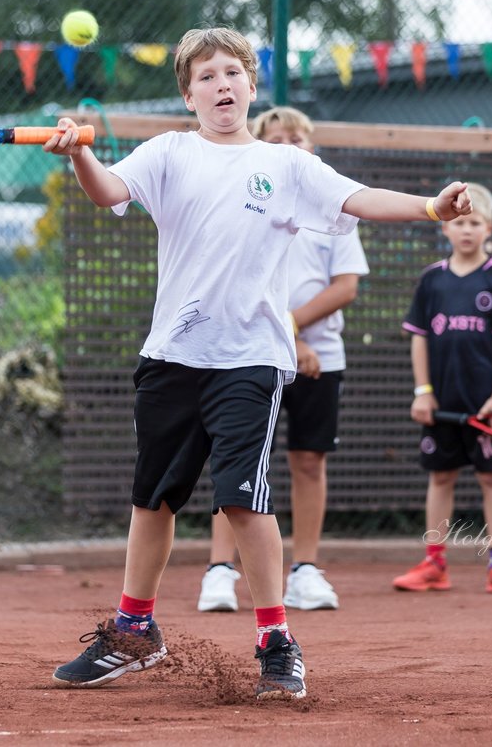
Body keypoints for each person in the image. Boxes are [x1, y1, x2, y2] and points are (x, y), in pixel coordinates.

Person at [42, 26, 472, 699]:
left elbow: (357, 197)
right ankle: (134, 631)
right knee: (152, 497)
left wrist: (428, 206)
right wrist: (77, 156)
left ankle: (276, 638)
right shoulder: (170, 152)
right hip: (172, 356)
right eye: (207, 76)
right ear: (188, 94)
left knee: (244, 499)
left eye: (232, 73)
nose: (222, 85)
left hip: (251, 359)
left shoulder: (288, 166)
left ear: (250, 85)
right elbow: (107, 190)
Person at [196, 106, 369, 614]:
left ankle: (306, 570)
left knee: (309, 460)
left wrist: (294, 331)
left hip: (322, 358)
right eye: (279, 138)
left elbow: (346, 286)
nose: (290, 144)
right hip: (249, 353)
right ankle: (219, 571)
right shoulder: (247, 199)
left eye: (299, 137)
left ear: (312, 148)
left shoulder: (337, 206)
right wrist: (288, 339)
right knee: (238, 462)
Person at [391, 183, 492, 596]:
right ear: (447, 228)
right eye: (461, 222)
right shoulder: (432, 280)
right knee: (441, 478)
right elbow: (418, 338)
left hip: (485, 406)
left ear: (488, 229)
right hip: (442, 404)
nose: (467, 230)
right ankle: (435, 562)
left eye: (476, 223)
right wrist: (423, 390)